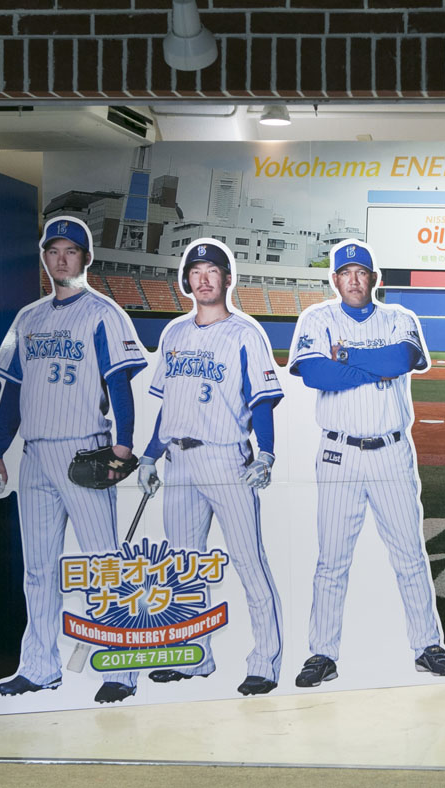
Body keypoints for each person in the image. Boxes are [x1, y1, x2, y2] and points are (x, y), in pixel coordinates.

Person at [0, 216, 146, 704]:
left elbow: (119, 384)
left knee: (103, 563)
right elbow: (11, 391)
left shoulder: (105, 314)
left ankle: (121, 667)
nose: (60, 258)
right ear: (44, 258)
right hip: (34, 455)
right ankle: (39, 667)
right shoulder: (26, 319)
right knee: (38, 568)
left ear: (86, 258)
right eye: (52, 251)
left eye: (70, 250)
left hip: (85, 448)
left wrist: (123, 445)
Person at [288, 238, 445, 687]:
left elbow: (402, 358)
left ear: (374, 279)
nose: (354, 280)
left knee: (409, 553)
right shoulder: (317, 319)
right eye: (346, 273)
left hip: (391, 452)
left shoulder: (399, 318)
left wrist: (346, 356)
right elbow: (315, 373)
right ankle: (322, 653)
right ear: (335, 279)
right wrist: (375, 366)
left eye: (361, 273)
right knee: (332, 559)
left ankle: (427, 646)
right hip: (338, 453)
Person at [136, 239, 284, 696]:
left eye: (212, 271)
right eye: (196, 272)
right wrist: (150, 454)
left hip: (225, 458)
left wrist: (266, 453)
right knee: (184, 565)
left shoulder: (245, 334)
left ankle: (265, 663)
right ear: (187, 281)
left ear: (226, 279)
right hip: (178, 460)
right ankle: (193, 656)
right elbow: (170, 404)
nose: (203, 279)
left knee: (248, 560)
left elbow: (261, 401)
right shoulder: (174, 334)